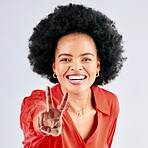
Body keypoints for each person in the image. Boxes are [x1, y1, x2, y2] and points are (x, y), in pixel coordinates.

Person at [20, 3, 126, 148]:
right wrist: (43, 120)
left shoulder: (109, 103)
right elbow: (34, 114)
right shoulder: (40, 101)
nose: (76, 67)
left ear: (98, 65)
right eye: (65, 59)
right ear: (54, 67)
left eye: (86, 59)